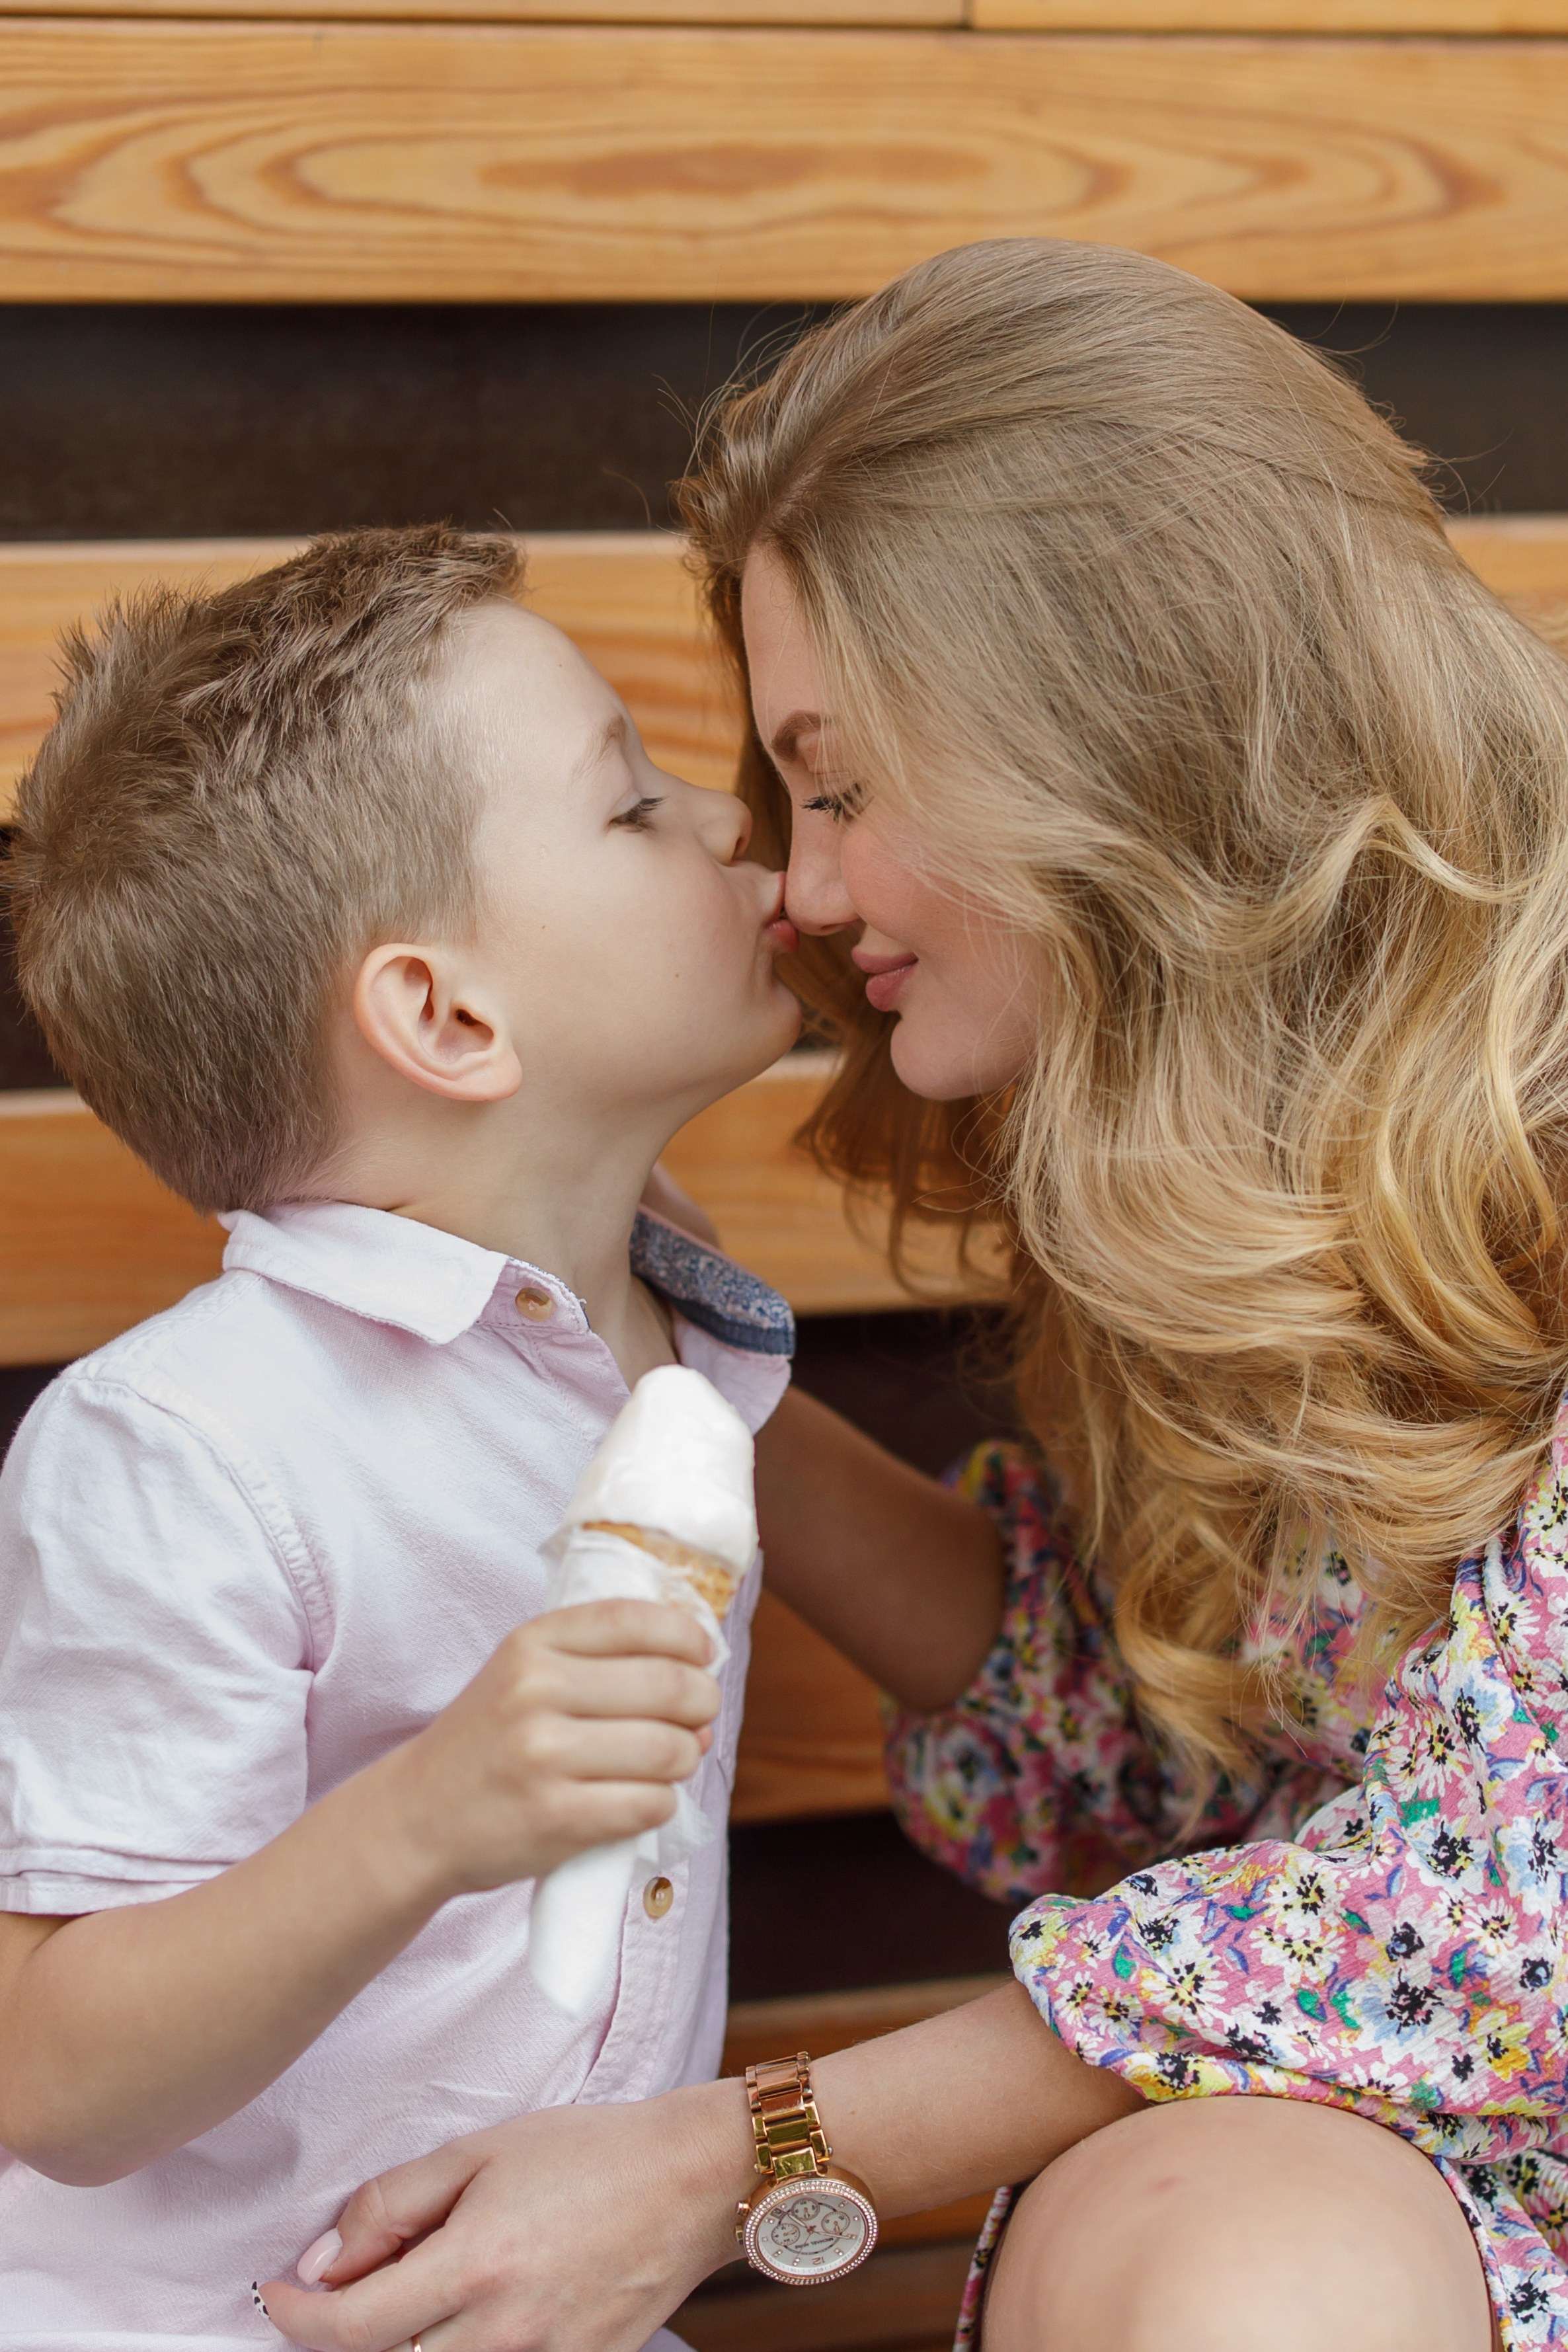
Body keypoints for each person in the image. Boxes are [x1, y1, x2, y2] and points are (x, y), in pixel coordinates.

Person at [264, 240, 1568, 2351]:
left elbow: (1499, 1914)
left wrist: (730, 2154)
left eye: (845, 780)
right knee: (1229, 2239)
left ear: (1124, 720)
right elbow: (1159, 1763)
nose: (803, 881)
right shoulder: (1225, 1173)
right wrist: (619, 1319)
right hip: (1423, 2181)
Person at [0, 524, 804, 2347]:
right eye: (631, 805)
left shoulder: (678, 1356)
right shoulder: (186, 1446)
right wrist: (428, 1820)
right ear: (443, 1016)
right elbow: (52, 2075)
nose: (730, 818)